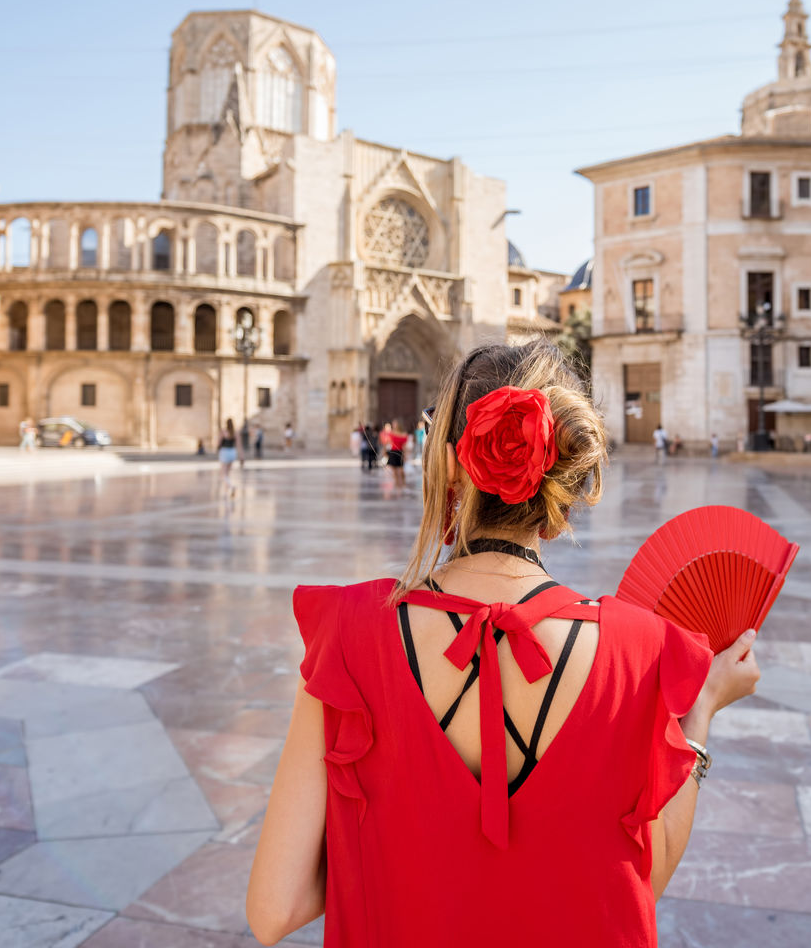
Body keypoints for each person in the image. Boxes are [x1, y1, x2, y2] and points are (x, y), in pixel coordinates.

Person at [246, 340, 761, 947]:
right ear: (564, 486)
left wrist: (395, 853)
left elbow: (273, 910)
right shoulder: (638, 652)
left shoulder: (352, 634)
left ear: (446, 469)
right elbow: (638, 888)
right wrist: (697, 716)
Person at [382, 420, 410, 486]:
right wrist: (384, 451)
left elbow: (404, 446)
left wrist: (405, 455)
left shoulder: (403, 434)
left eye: (395, 424)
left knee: (401, 469)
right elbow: (387, 443)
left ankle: (403, 482)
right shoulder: (392, 434)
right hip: (393, 452)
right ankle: (397, 482)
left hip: (400, 452)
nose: (394, 425)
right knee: (394, 469)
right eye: (393, 424)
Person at [218, 419, 239, 495]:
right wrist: (241, 456)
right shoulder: (235, 432)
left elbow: (219, 443)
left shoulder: (223, 432)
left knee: (223, 473)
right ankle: (226, 491)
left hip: (225, 452)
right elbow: (238, 445)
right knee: (227, 473)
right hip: (232, 452)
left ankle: (231, 486)